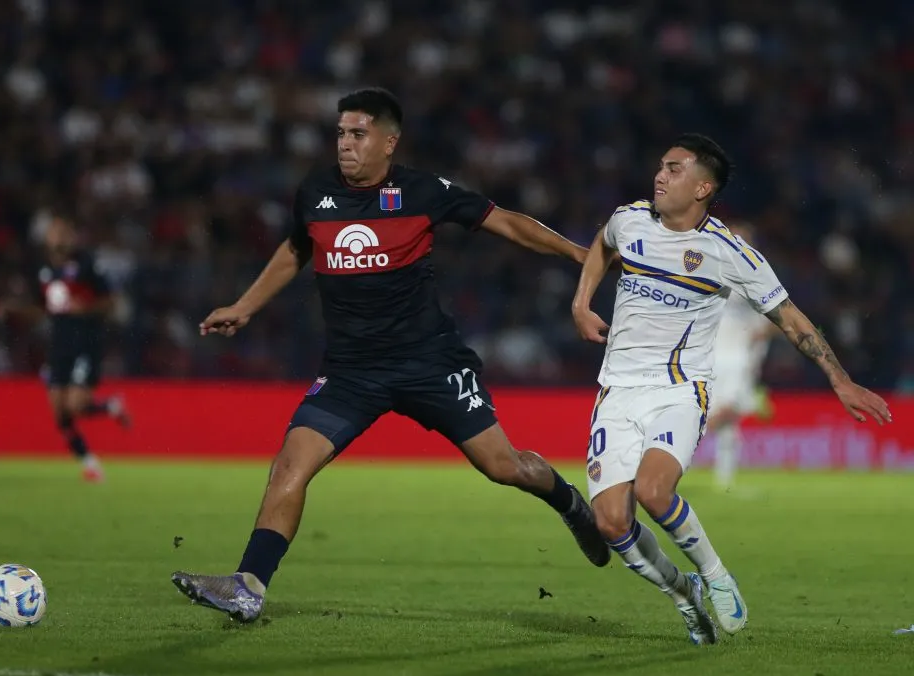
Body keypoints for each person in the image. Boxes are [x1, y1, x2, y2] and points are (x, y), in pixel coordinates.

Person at [171, 87, 610, 623]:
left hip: (430, 363)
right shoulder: (315, 192)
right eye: (340, 134)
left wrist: (577, 253)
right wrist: (245, 305)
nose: (345, 145)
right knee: (290, 466)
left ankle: (568, 503)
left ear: (388, 142)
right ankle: (248, 585)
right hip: (351, 372)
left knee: (505, 466)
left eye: (358, 135)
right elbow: (295, 250)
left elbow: (506, 221)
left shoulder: (423, 190)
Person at [571, 133, 891, 645]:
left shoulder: (729, 253)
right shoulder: (629, 218)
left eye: (673, 169)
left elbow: (789, 318)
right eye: (660, 166)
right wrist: (581, 302)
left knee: (654, 492)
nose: (660, 175)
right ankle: (684, 595)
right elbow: (602, 244)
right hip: (617, 392)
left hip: (679, 390)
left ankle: (717, 576)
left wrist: (840, 378)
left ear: (702, 188)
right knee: (611, 526)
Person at [0, 215, 130, 482]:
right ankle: (90, 464)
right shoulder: (43, 270)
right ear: (47, 239)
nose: (60, 237)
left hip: (85, 344)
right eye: (55, 232)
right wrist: (14, 310)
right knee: (60, 413)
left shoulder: (88, 265)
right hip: (58, 346)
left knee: (76, 405)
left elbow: (112, 302)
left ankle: (109, 407)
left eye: (65, 232)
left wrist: (87, 308)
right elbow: (41, 310)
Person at [707, 221, 778, 491]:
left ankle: (724, 482)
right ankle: (681, 438)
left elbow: (770, 318)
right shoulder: (715, 272)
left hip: (737, 358)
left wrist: (763, 332)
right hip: (718, 356)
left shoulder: (755, 274)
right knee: (725, 414)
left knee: (730, 420)